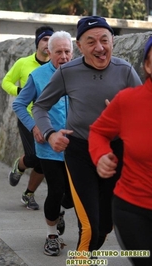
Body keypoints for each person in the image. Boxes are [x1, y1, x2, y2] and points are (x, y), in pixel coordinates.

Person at [33, 16, 142, 256]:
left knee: (105, 225)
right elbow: (40, 107)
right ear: (79, 47)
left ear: (113, 41)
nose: (99, 47)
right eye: (91, 42)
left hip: (115, 153)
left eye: (104, 40)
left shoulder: (125, 70)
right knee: (90, 226)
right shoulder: (68, 72)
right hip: (80, 152)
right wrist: (50, 134)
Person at [88, 36, 152, 266]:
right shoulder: (128, 101)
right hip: (133, 209)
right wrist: (101, 155)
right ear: (147, 65)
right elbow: (98, 132)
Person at [13, 31, 74, 256]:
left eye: (67, 51)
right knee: (55, 190)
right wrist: (34, 126)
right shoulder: (38, 75)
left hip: (77, 148)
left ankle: (59, 211)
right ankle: (51, 236)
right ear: (49, 52)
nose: (64, 56)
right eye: (58, 52)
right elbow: (19, 104)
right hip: (48, 147)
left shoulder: (81, 74)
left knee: (71, 198)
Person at [2, 25, 54, 210]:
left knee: (44, 160)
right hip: (28, 117)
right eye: (45, 39)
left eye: (51, 40)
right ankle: (20, 165)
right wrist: (19, 90)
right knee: (33, 156)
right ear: (37, 43)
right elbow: (5, 82)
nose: (48, 44)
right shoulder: (23, 63)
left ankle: (28, 194)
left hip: (50, 119)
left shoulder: (56, 66)